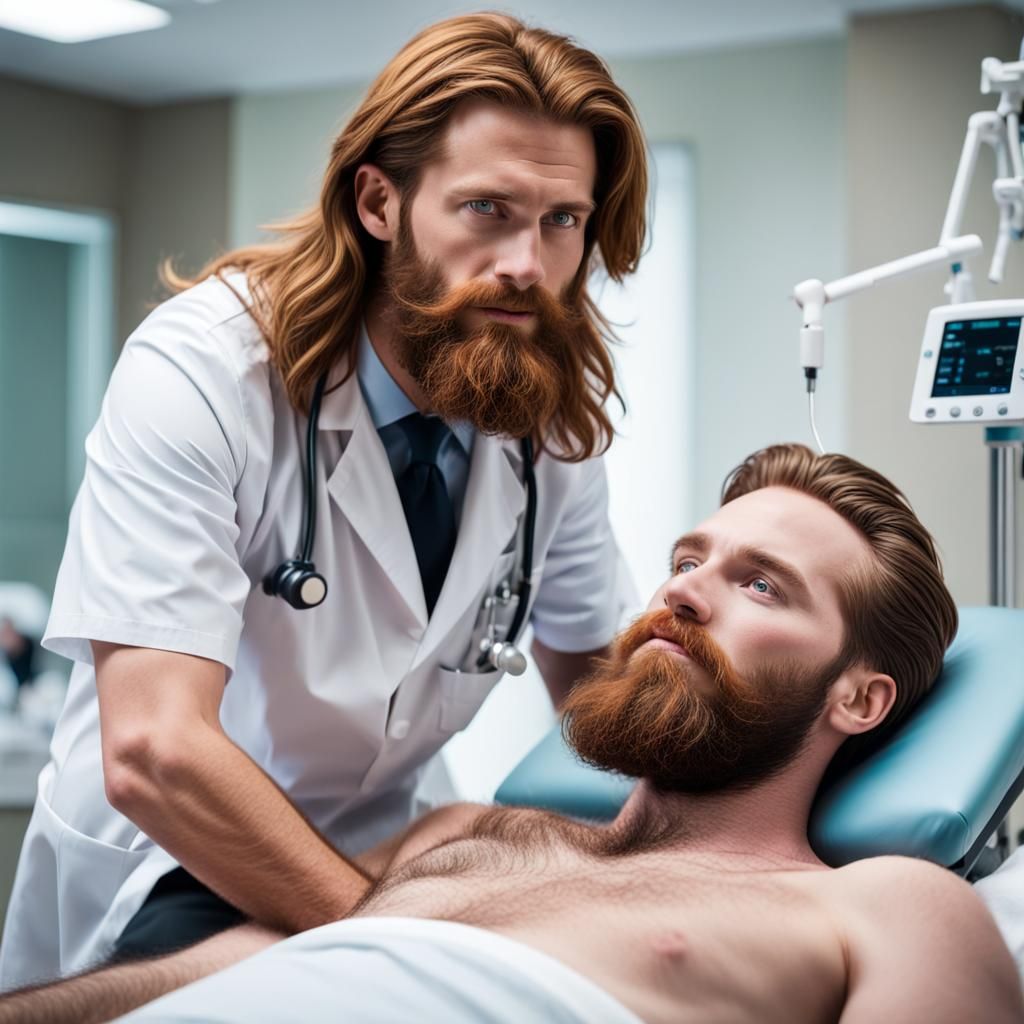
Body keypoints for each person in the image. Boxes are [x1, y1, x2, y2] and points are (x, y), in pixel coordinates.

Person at [0, 12, 649, 990]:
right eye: (487, 210)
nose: (530, 262)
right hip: (181, 846)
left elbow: (599, 690)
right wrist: (385, 943)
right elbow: (156, 748)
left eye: (562, 220)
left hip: (398, 837)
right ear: (379, 201)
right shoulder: (209, 369)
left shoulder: (540, 404)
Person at [2, 444, 1020, 1024]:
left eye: (759, 583)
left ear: (859, 698)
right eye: (686, 558)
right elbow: (193, 981)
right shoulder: (457, 836)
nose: (681, 591)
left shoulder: (888, 906)